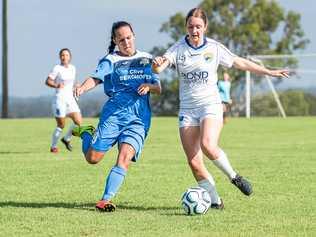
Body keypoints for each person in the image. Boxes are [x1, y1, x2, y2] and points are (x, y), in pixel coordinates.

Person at [152, 7, 289, 209]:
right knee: (194, 162)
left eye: (198, 26)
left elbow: (239, 62)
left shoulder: (214, 48)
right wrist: (156, 65)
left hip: (211, 105)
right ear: (186, 27)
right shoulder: (177, 49)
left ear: (205, 27)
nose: (194, 30)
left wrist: (268, 71)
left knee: (208, 144)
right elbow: (160, 66)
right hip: (188, 110)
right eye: (191, 26)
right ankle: (216, 202)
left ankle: (234, 177)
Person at [72, 21, 161, 212]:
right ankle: (87, 133)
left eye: (128, 38)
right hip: (114, 116)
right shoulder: (110, 60)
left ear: (134, 36)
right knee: (93, 158)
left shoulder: (146, 59)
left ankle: (106, 200)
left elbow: (158, 86)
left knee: (125, 157)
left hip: (139, 119)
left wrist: (149, 87)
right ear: (115, 41)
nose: (126, 42)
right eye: (121, 40)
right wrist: (81, 88)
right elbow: (96, 78)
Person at [45, 48, 82, 153]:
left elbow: (73, 82)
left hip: (70, 99)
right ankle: (53, 146)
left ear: (70, 57)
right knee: (61, 124)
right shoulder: (57, 68)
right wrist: (56, 85)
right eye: (62, 55)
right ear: (60, 57)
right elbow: (47, 81)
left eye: (66, 55)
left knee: (78, 121)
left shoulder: (73, 68)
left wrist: (77, 85)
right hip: (59, 100)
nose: (64, 57)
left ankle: (66, 139)